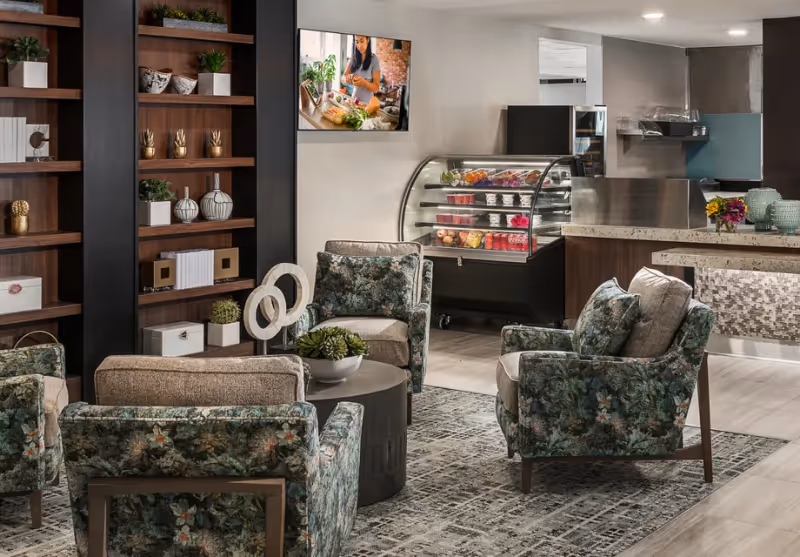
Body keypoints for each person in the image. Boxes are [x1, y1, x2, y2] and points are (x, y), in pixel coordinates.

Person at [343, 35, 380, 104]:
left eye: (362, 41)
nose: (359, 46)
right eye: (357, 42)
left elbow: (376, 88)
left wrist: (364, 82)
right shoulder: (353, 59)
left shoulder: (374, 59)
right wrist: (346, 79)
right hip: (353, 102)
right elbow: (343, 77)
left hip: (367, 105)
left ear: (367, 40)